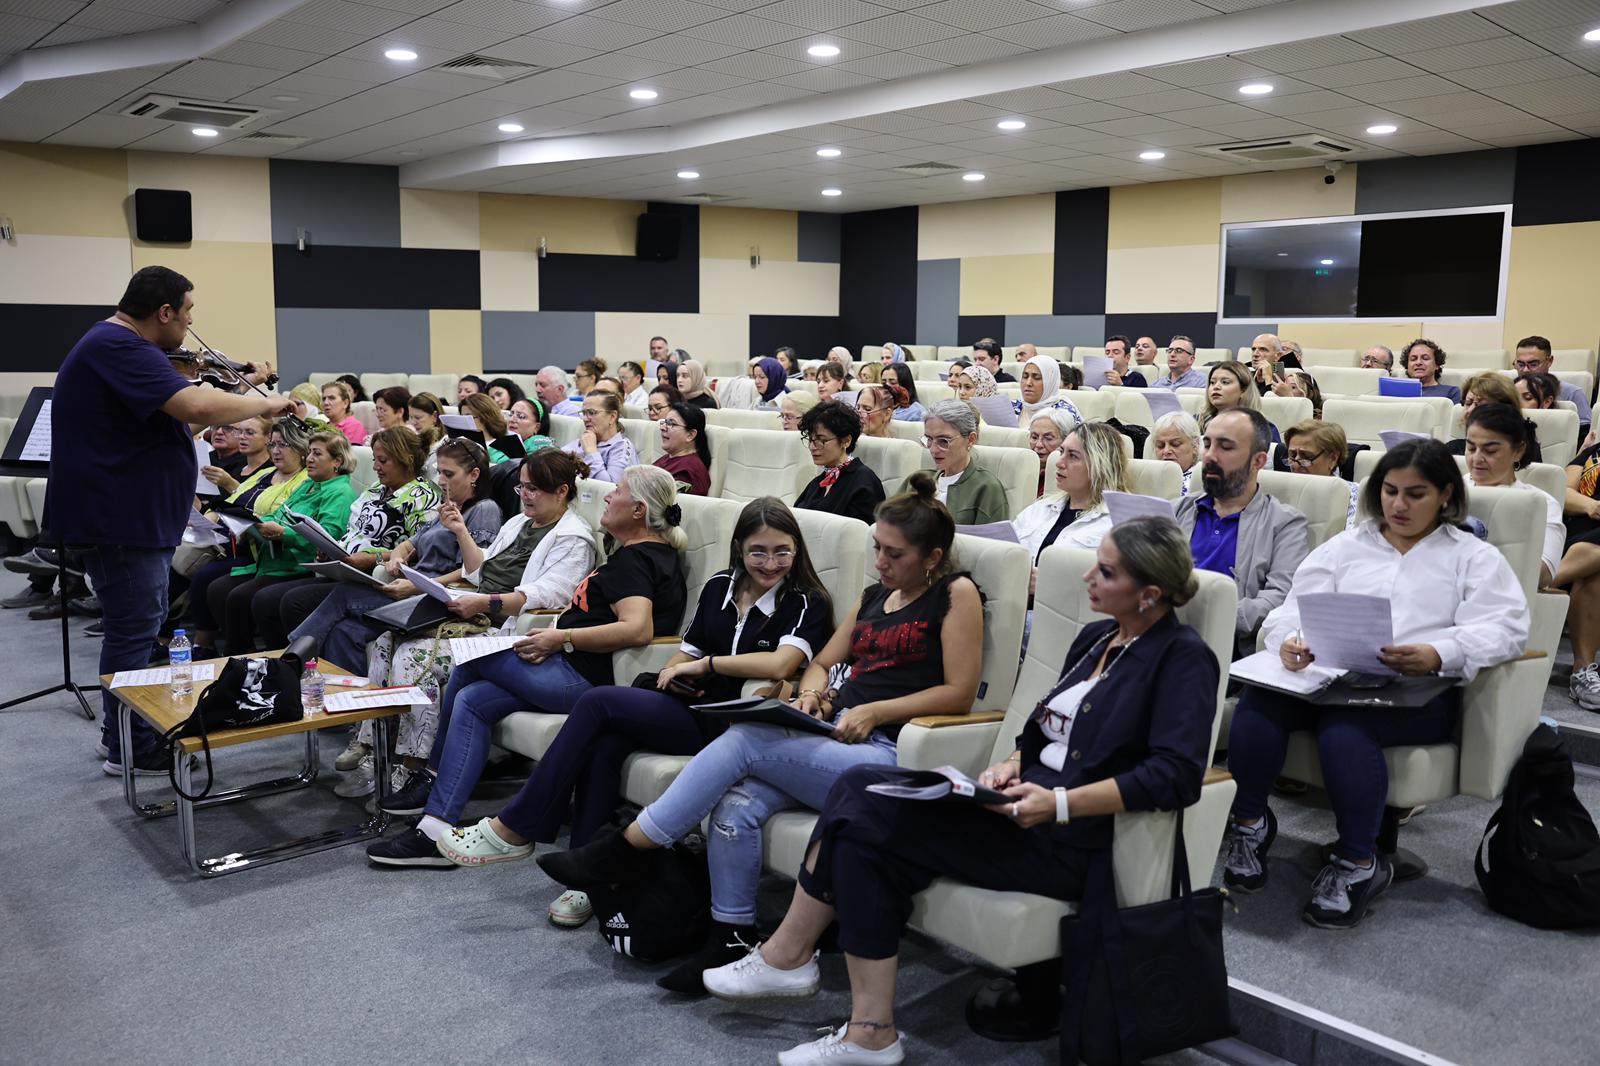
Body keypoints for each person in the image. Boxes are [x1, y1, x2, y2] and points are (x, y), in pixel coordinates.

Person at [693, 517, 1217, 1064]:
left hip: (1069, 837)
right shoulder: (1097, 639)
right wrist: (1011, 764)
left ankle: (799, 964)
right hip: (1018, 807)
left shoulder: (1182, 657)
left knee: (859, 810)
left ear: (1148, 594)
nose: (1088, 577)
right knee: (861, 809)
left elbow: (1175, 776)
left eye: (1105, 572)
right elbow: (1043, 732)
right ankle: (866, 1029)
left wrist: (1059, 802)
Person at [538, 475, 985, 997]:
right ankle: (731, 937)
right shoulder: (874, 596)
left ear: (932, 558)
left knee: (748, 737)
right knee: (737, 804)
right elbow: (821, 663)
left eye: (895, 554)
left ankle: (628, 846)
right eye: (878, 549)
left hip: (892, 752)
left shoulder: (955, 593)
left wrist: (876, 710)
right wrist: (814, 695)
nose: (881, 562)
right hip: (837, 736)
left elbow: (958, 692)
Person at [434, 498, 833, 942]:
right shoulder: (721, 585)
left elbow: (781, 664)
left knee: (599, 703)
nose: (770, 563)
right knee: (606, 740)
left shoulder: (806, 600)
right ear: (739, 548)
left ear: (797, 550)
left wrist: (705, 666)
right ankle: (588, 877)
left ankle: (517, 826)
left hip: (734, 723)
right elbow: (688, 650)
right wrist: (674, 671)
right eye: (758, 551)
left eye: (782, 552)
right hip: (690, 704)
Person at [1223, 439, 1527, 928]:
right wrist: (1289, 641)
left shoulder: (1471, 556)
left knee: (1345, 729)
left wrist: (1438, 652)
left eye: (1415, 494)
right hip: (1331, 676)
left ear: (1446, 495)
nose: (1399, 505)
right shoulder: (1348, 546)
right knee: (1258, 704)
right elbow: (1291, 611)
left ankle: (1357, 862)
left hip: (1418, 689)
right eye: (1390, 491)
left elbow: (1507, 630)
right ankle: (1250, 825)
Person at [367, 465, 688, 866]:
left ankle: (430, 780)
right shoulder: (641, 555)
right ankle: (435, 828)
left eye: (617, 492)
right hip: (568, 666)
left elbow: (637, 628)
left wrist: (561, 638)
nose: (607, 497)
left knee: (470, 662)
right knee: (472, 699)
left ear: (639, 510)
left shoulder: (636, 561)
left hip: (584, 677)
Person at [46, 265, 297, 774]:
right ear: (164, 312)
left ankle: (120, 734)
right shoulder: (121, 347)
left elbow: (183, 418)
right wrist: (264, 402)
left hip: (127, 517)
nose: (190, 323)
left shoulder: (118, 346)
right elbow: (194, 404)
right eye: (187, 312)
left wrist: (240, 387)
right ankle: (132, 748)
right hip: (120, 519)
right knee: (133, 633)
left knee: (134, 629)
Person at [342, 449, 592, 797]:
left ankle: (413, 765)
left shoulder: (573, 539)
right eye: (521, 487)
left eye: (533, 489)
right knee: (387, 642)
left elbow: (547, 595)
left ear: (562, 491)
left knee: (413, 658)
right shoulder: (519, 523)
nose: (525, 495)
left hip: (505, 630)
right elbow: (478, 571)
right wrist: (460, 531)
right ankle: (376, 749)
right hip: (476, 612)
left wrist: (483, 601)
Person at [264, 427, 445, 652]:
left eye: (383, 461)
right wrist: (331, 548)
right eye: (375, 460)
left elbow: (417, 549)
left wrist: (373, 559)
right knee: (275, 599)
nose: (375, 467)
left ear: (406, 460)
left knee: (294, 602)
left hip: (374, 577)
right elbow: (355, 530)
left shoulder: (422, 496)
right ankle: (299, 660)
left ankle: (297, 660)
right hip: (347, 569)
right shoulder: (378, 488)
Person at [1174, 408, 1309, 658]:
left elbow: (1279, 599)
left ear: (1258, 461)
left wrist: (1203, 612)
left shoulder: (1284, 523)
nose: (1210, 456)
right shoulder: (1177, 509)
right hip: (1161, 636)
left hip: (1224, 649)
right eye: (1207, 444)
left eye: (1225, 447)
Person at [184, 416, 311, 658]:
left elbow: (282, 518)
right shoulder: (266, 474)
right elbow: (233, 500)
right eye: (273, 445)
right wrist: (208, 518)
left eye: (282, 445)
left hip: (279, 556)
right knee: (215, 588)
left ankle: (243, 654)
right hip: (252, 547)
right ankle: (241, 651)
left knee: (226, 589)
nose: (275, 451)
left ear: (300, 448)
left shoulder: (304, 481)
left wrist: (245, 519)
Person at [1012, 422, 1132, 576]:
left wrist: (1046, 583)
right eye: (1061, 452)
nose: (1059, 463)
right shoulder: (1040, 508)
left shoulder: (1116, 524)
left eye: (1073, 456)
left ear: (1099, 466)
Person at [1463, 403, 1561, 585]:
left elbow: (1544, 573)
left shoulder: (1540, 504)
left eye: (1490, 451)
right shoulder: (1450, 490)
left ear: (1518, 451)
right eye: (1471, 448)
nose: (1476, 458)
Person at [901, 399, 1008, 524]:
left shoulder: (986, 488)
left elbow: (992, 536)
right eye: (929, 439)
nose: (933, 450)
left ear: (971, 439)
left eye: (944, 441)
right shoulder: (917, 481)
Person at [795, 401, 886, 525]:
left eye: (821, 440)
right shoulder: (820, 481)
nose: (812, 447)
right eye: (811, 439)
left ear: (846, 441)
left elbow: (861, 531)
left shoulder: (864, 481)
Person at [1283, 420, 1359, 530]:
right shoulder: (1279, 490)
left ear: (1332, 459)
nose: (1296, 464)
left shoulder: (1354, 496)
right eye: (1292, 455)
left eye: (1307, 456)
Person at [563, 390, 638, 483]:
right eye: (584, 413)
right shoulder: (585, 439)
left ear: (612, 416)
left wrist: (591, 452)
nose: (585, 419)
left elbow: (610, 488)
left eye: (591, 412)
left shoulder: (621, 447)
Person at [1514, 335, 1591, 421]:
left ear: (1549, 361)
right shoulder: (1509, 389)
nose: (1525, 370)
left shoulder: (1572, 393)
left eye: (1533, 364)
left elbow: (1584, 427)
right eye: (1520, 364)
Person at [1202, 361, 1280, 443]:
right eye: (1212, 382)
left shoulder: (1263, 429)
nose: (1216, 387)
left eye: (1225, 382)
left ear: (1243, 390)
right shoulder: (1199, 423)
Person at [655, 401, 712, 496]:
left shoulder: (689, 472)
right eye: (665, 422)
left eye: (671, 423)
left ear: (690, 435)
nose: (663, 428)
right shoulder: (669, 457)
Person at [1011, 354, 1082, 425]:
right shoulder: (1011, 407)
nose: (1028, 383)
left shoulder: (1064, 414)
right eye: (1025, 376)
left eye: (1036, 378)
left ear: (1050, 383)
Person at [1026, 408, 1080, 498]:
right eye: (1034, 437)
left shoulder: (1071, 478)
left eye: (1048, 438)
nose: (1038, 445)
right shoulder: (1020, 469)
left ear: (1065, 440)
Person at [1151, 409, 1202, 496]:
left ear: (1195, 445)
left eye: (1175, 444)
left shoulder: (1202, 483)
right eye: (1160, 445)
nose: (1166, 451)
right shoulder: (1146, 477)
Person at [459, 392, 514, 465]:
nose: (464, 421)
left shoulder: (504, 447)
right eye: (461, 417)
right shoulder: (459, 441)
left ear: (485, 417)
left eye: (468, 417)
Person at [1405, 339, 1460, 403]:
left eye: (1425, 358)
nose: (1418, 362)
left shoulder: (1451, 392)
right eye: (1413, 359)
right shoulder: (1398, 391)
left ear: (1437, 365)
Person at [320, 380, 367, 445]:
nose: (326, 403)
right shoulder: (322, 426)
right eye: (324, 399)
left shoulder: (355, 427)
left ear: (345, 403)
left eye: (332, 398)